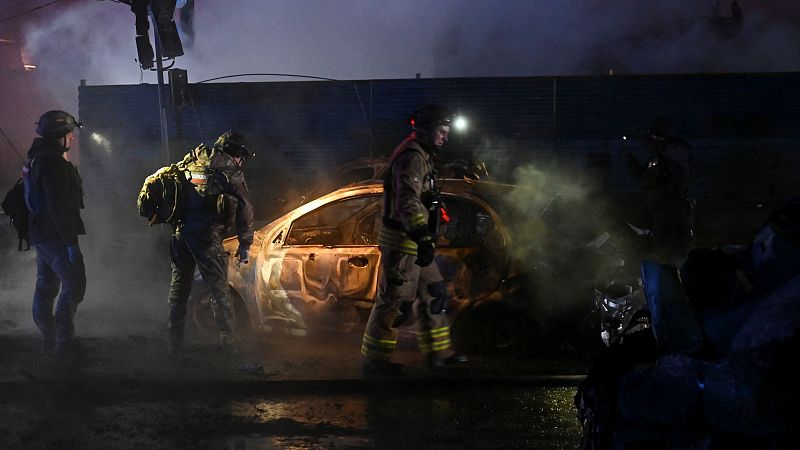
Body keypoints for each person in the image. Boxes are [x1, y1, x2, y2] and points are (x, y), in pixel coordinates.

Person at [360, 104, 467, 375]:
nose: (445, 138)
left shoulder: (423, 155)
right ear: (425, 131)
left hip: (418, 245)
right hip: (403, 244)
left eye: (446, 132)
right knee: (392, 301)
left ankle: (439, 355)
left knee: (435, 294)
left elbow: (422, 200)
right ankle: (375, 362)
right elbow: (407, 201)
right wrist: (422, 237)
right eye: (441, 132)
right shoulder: (412, 157)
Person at [167, 131, 254, 354]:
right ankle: (230, 342)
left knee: (179, 288)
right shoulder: (229, 171)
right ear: (234, 152)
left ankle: (174, 341)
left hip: (180, 234)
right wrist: (245, 244)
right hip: (206, 236)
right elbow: (245, 208)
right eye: (240, 157)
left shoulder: (192, 161)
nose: (241, 162)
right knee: (219, 289)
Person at [23, 110, 86, 355]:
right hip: (56, 235)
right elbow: (59, 207)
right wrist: (71, 244)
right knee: (74, 284)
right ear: (59, 135)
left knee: (46, 285)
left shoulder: (37, 159)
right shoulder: (53, 164)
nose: (72, 138)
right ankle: (63, 341)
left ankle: (48, 340)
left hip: (42, 233)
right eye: (70, 134)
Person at [626, 116, 695, 263]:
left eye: (654, 135)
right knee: (661, 252)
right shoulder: (658, 159)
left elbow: (660, 148)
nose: (652, 138)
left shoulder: (678, 151)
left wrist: (639, 136)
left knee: (679, 251)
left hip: (677, 210)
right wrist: (630, 159)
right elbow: (644, 179)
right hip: (660, 212)